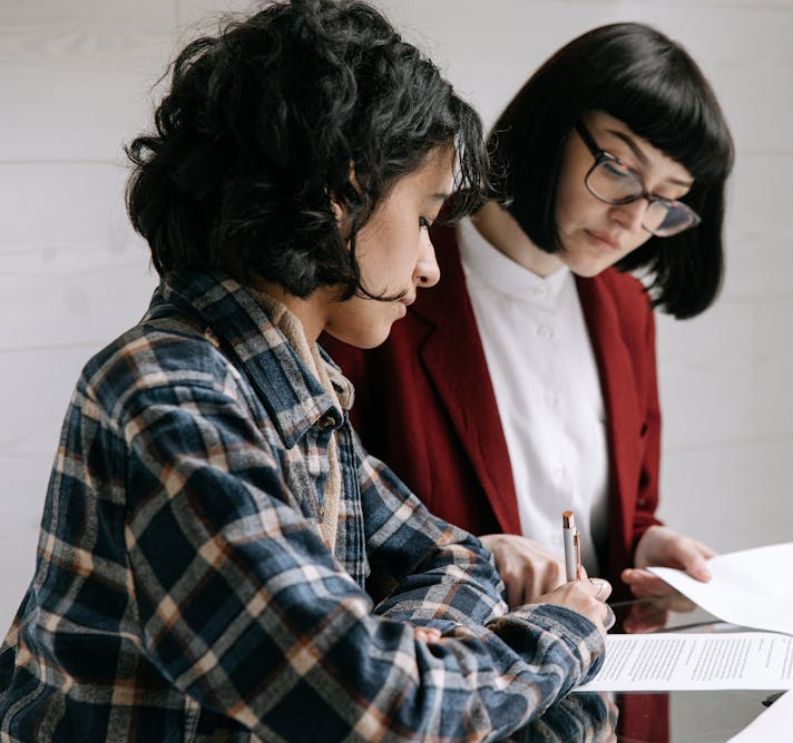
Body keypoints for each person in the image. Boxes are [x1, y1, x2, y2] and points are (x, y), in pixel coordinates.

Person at [0, 1, 612, 740]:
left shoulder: (296, 388)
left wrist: (405, 648)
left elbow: (456, 558)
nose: (428, 266)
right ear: (342, 194)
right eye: (423, 217)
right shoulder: (170, 395)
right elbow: (378, 709)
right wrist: (561, 630)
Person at [324, 20, 734, 616]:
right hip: (462, 683)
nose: (632, 220)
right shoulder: (391, 282)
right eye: (620, 169)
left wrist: (647, 541)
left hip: (608, 678)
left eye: (665, 199)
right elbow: (328, 525)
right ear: (551, 124)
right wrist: (470, 556)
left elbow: (625, 506)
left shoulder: (626, 310)